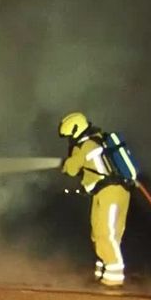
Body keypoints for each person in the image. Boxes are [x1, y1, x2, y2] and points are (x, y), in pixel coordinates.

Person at [59, 112, 131, 287]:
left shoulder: (85, 146)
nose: (69, 140)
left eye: (69, 136)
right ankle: (102, 272)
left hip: (108, 193)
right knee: (106, 233)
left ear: (76, 130)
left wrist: (65, 164)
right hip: (117, 192)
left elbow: (72, 169)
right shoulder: (98, 141)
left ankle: (113, 279)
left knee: (104, 233)